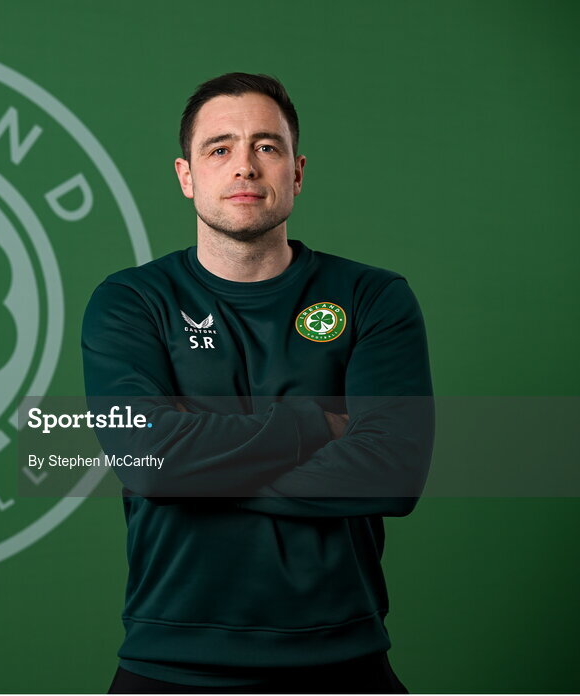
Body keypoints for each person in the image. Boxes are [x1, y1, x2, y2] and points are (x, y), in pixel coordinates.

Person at [81, 73, 434, 694]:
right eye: (219, 148)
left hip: (342, 660)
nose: (244, 165)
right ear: (186, 175)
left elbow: (392, 471)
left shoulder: (372, 297)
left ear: (297, 172)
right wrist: (319, 426)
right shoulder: (131, 302)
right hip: (169, 661)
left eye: (265, 146)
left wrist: (195, 469)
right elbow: (148, 462)